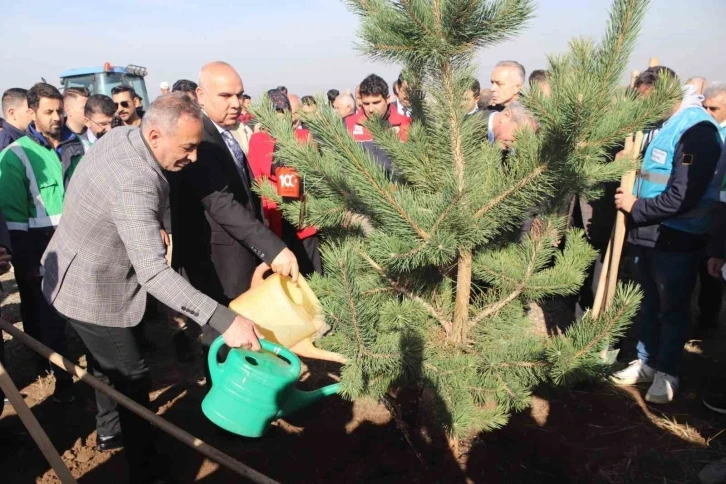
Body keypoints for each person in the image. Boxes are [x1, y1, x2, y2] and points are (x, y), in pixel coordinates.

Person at [41, 93, 265, 483]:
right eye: (188, 147)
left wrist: (144, 225)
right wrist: (225, 319)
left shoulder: (126, 136)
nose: (193, 158)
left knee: (105, 364)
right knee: (132, 374)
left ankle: (110, 430)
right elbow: (154, 274)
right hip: (91, 290)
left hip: (79, 265)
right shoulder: (136, 183)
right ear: (157, 134)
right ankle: (146, 467)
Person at [169, 62, 299, 386]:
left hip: (235, 254)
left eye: (240, 95)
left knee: (240, 331)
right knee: (220, 336)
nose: (236, 103)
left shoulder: (222, 135)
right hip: (215, 262)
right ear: (201, 95)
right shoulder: (201, 139)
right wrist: (273, 249)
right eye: (225, 95)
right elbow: (221, 203)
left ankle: (244, 397)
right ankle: (225, 416)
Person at [611, 67, 724, 404]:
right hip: (647, 231)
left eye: (646, 99)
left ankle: (667, 372)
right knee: (649, 302)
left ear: (664, 93)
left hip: (677, 234)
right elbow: (652, 169)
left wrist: (636, 207)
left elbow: (683, 195)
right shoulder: (662, 125)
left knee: (672, 307)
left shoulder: (697, 132)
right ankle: (646, 362)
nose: (643, 108)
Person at [0, 82, 84, 404]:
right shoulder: (16, 156)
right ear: (32, 113)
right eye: (48, 112)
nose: (56, 117)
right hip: (39, 246)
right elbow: (15, 220)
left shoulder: (76, 147)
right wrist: (28, 263)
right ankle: (62, 378)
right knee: (48, 316)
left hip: (76, 239)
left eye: (60, 110)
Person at [248, 89, 322, 275]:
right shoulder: (258, 140)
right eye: (275, 113)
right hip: (275, 217)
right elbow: (257, 180)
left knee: (312, 272)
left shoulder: (304, 137)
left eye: (283, 112)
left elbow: (316, 176)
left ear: (290, 113)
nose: (279, 118)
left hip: (303, 217)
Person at [346, 74, 412, 175]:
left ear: (388, 99)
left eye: (376, 102)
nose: (371, 109)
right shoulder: (349, 124)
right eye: (366, 104)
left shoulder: (406, 124)